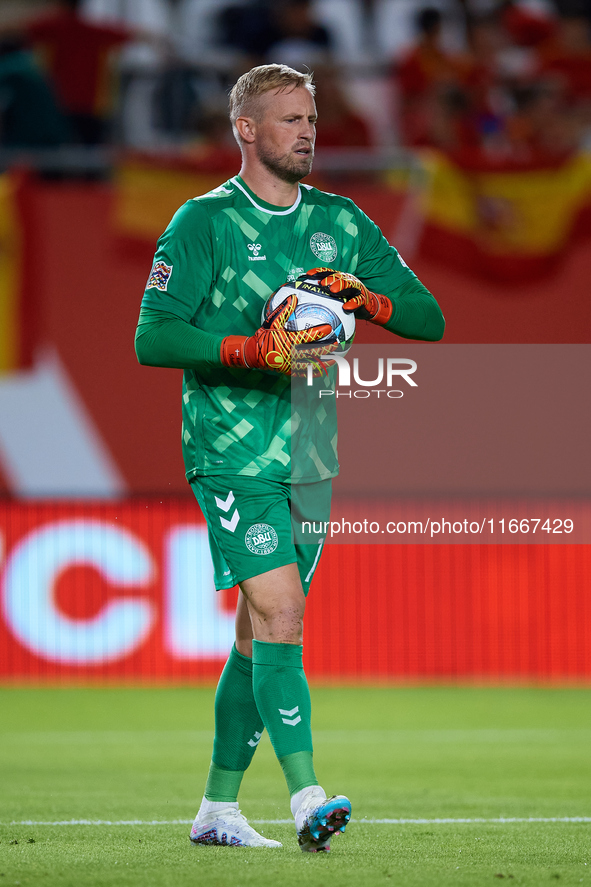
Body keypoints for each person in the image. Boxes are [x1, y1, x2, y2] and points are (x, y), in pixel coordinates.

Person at [135, 63, 445, 852]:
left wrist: (366, 300)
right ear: (245, 129)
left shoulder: (338, 221)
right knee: (282, 611)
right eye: (288, 119)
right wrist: (249, 347)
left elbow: (428, 319)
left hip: (309, 453)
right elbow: (154, 336)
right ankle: (308, 796)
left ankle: (216, 810)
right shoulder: (202, 222)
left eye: (310, 119)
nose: (307, 132)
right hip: (230, 449)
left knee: (254, 636)